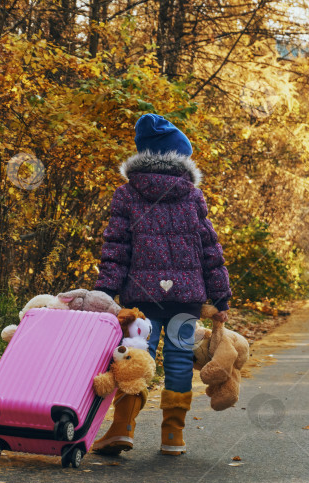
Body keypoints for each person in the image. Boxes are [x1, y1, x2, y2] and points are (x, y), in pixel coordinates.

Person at [90, 113, 231, 456]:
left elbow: (116, 247)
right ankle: (173, 436)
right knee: (181, 359)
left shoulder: (126, 194)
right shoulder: (193, 196)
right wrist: (221, 295)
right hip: (186, 298)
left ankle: (123, 427)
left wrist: (106, 290)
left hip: (143, 297)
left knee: (136, 355)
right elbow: (210, 248)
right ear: (180, 156)